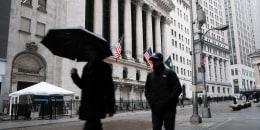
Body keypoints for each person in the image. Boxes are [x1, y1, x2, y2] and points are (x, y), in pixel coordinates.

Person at [71, 43, 115, 130]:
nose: (87, 52)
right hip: (87, 105)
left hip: (97, 104)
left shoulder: (104, 67)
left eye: (89, 49)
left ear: (96, 51)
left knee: (91, 126)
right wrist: (74, 75)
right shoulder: (86, 67)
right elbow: (83, 85)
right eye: (86, 50)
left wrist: (110, 107)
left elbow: (109, 88)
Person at [145, 52, 182, 130]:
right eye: (152, 61)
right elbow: (147, 91)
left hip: (168, 110)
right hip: (156, 110)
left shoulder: (169, 73)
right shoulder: (150, 76)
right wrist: (152, 103)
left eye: (155, 60)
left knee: (169, 128)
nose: (153, 62)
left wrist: (169, 101)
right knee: (156, 128)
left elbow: (178, 89)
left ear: (161, 61)